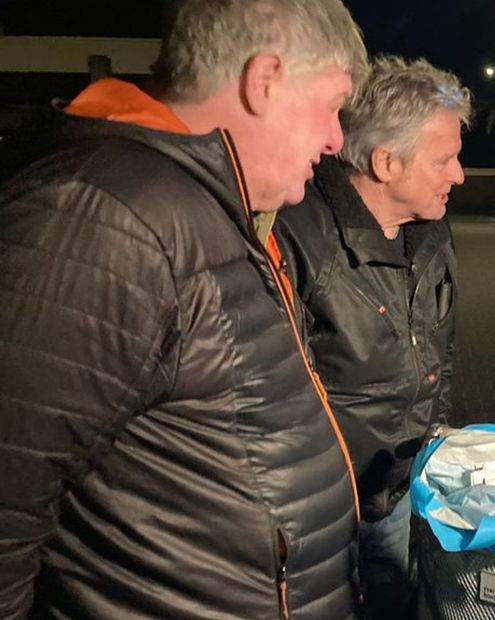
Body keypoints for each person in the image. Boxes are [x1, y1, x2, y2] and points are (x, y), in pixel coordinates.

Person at [0, 1, 369, 617]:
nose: (336, 139)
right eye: (331, 106)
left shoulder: (208, 210)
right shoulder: (105, 219)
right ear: (265, 80)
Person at [274, 54, 469, 617]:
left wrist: (430, 445)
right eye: (445, 159)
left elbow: (442, 351)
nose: (459, 175)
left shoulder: (432, 232)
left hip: (400, 495)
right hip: (319, 519)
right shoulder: (295, 238)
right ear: (386, 162)